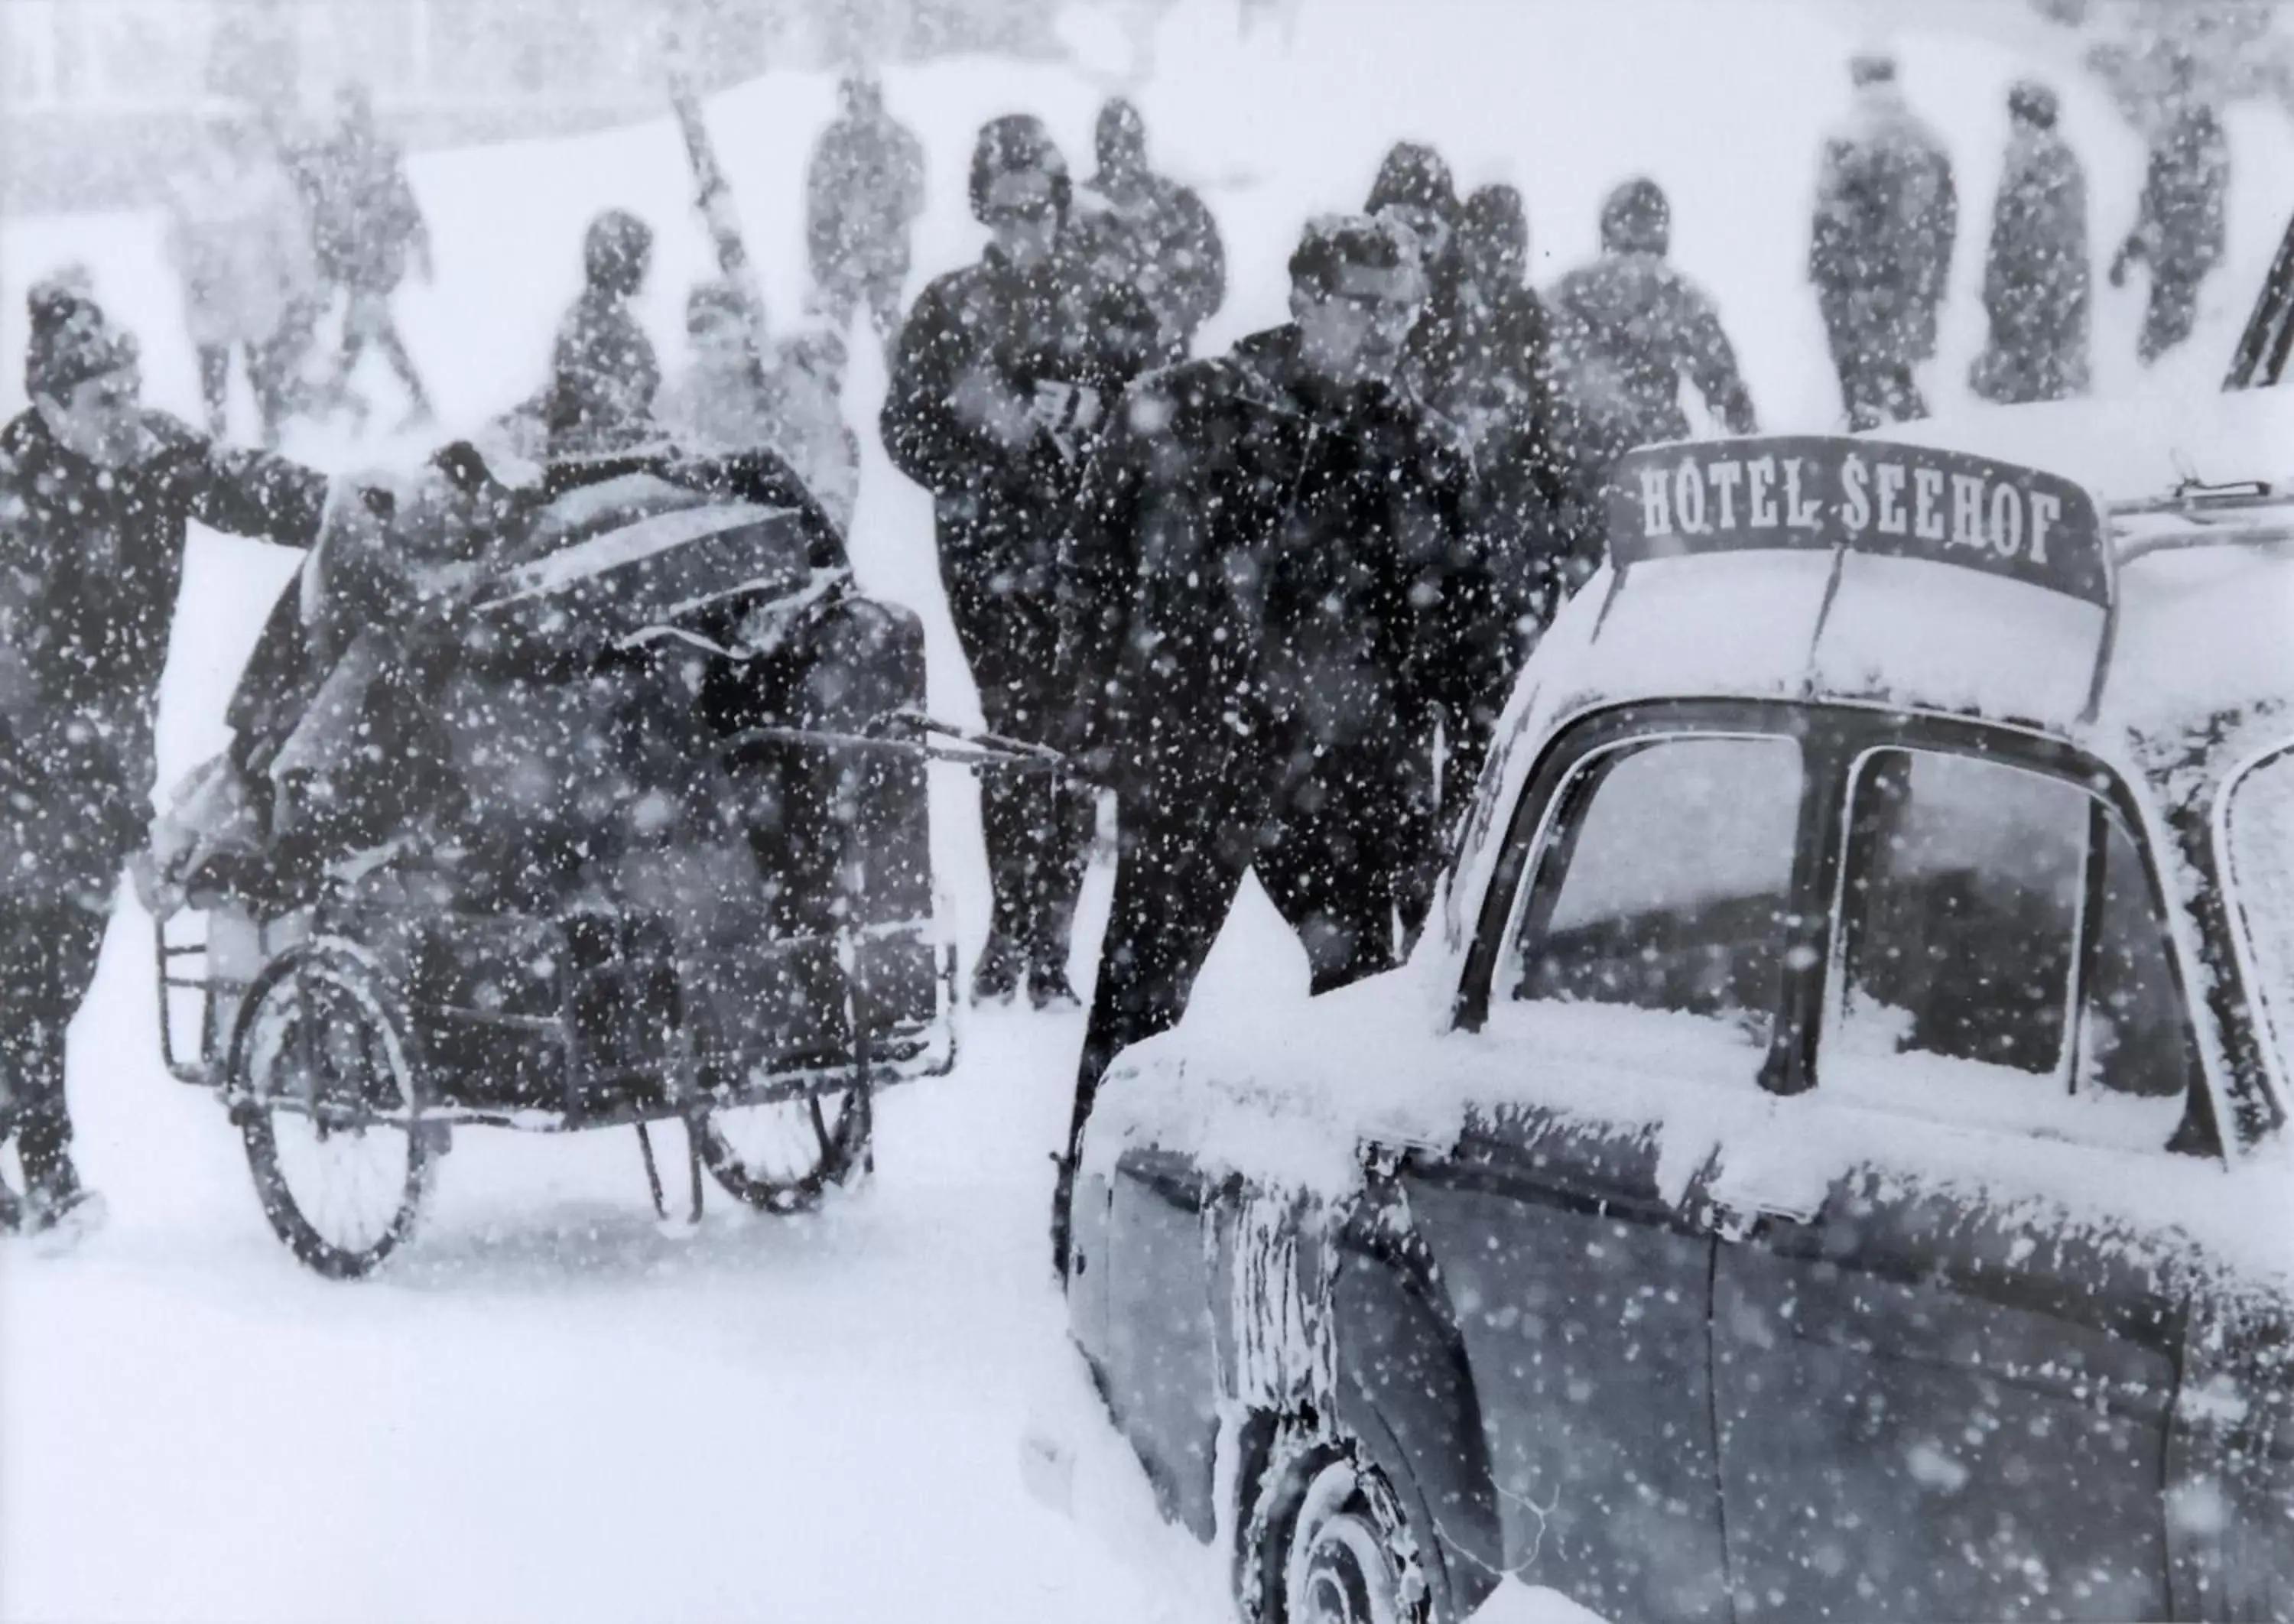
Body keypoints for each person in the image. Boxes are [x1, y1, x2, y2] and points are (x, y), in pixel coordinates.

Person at [1049, 214, 1503, 1271]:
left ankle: (1345, 1245)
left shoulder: (1424, 449)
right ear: (1303, 296)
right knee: (1142, 1001)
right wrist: (1100, 716)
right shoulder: (1189, 407)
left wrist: (1468, 785)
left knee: (1358, 1011)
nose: (1387, 332)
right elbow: (1093, 568)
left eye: (1404, 310)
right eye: (1364, 305)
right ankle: (1088, 1207)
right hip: (1196, 756)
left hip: (1351, 776)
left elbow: (1469, 639)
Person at [0, 284, 333, 1238]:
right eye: (102, 400)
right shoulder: (17, 499)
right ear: (52, 407)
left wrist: (346, 509)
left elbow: (247, 487)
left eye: (130, 389)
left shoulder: (148, 454)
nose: (125, 413)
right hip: (23, 759)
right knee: (31, 962)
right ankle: (53, 1177)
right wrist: (126, 825)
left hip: (97, 758)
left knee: (59, 970)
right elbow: (29, 686)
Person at [880, 115, 1169, 1010]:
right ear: (981, 209)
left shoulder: (1112, 304)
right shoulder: (948, 307)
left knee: (1075, 740)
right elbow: (904, 430)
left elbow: (1162, 415)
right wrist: (981, 443)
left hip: (1087, 556)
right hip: (987, 555)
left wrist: (1090, 419)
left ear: (1059, 203)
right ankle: (1013, 932)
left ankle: (1051, 943)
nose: (1022, 226)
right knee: (1012, 732)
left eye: (1036, 207)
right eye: (1003, 210)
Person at [1546, 177, 1758, 479]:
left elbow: (1547, 365)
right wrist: (1750, 438)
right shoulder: (1674, 291)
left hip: (1578, 459)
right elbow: (1723, 381)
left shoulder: (1567, 291)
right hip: (1658, 461)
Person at [1446, 184, 1578, 638]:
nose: (1504, 257)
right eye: (1494, 242)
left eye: (1511, 244)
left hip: (1502, 504)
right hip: (1475, 503)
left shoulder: (1525, 313)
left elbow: (1544, 410)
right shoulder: (1446, 308)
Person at [1808, 53, 1958, 430]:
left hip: (1857, 286)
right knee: (1900, 378)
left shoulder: (1845, 138)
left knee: (1862, 392)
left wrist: (1828, 283)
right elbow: (1947, 221)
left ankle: (1864, 464)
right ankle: (1926, 451)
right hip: (1913, 286)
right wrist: (1931, 281)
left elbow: (1831, 222)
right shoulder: (1930, 139)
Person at [163, 103, 321, 447]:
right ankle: (217, 444)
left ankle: (272, 439)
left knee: (263, 373)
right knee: (213, 376)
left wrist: (300, 285)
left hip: (256, 294)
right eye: (218, 129)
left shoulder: (268, 180)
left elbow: (292, 236)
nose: (225, 138)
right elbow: (173, 242)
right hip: (210, 298)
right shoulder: (186, 186)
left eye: (231, 129)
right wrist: (196, 269)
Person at [655, 279, 860, 531]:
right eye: (704, 347)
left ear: (746, 336)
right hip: (713, 536)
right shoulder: (683, 395)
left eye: (725, 344)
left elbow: (828, 452)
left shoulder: (784, 387)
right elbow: (665, 468)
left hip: (784, 531)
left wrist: (827, 516)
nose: (716, 359)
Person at [302, 82, 434, 431]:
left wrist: (419, 245)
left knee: (367, 326)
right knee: (368, 330)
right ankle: (409, 402)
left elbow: (403, 207)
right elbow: (326, 210)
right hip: (356, 257)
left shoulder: (374, 156)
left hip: (372, 260)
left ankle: (341, 397)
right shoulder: (338, 155)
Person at [1971, 80, 2091, 405]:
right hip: (2039, 303)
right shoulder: (2050, 160)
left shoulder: (2039, 162)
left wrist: (2011, 296)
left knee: (2031, 403)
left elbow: (2037, 242)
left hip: (2034, 305)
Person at [1074, 98, 1226, 355]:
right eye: (1110, 146)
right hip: (1092, 359)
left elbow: (1212, 276)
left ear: (1141, 144)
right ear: (1099, 149)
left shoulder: (1180, 205)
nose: (1120, 155)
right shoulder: (1080, 209)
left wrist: (1175, 319)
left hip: (1165, 354)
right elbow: (1057, 283)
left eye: (1129, 143)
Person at [2111, 74, 2230, 365]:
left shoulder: (2192, 144)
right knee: (2163, 343)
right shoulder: (2181, 142)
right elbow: (2155, 203)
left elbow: (2172, 204)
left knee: (2168, 345)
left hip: (2181, 257)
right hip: (2177, 257)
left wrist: (2136, 245)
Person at [804, 74, 927, 352]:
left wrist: (879, 229)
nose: (851, 109)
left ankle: (903, 384)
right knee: (830, 336)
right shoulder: (832, 142)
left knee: (890, 332)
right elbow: (817, 206)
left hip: (886, 257)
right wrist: (825, 259)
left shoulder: (900, 142)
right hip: (840, 257)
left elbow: (914, 199)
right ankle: (826, 390)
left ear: (876, 101)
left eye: (857, 101)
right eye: (847, 101)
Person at [547, 209, 661, 457]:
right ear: (622, 259)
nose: (646, 268)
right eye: (642, 257)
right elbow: (573, 379)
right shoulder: (586, 318)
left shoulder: (613, 318)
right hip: (597, 453)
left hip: (621, 446)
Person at [1364, 140, 1468, 408]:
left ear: (1449, 233)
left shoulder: (1466, 312)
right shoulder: (1350, 291)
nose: (1412, 245)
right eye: (1400, 227)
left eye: (1423, 230)